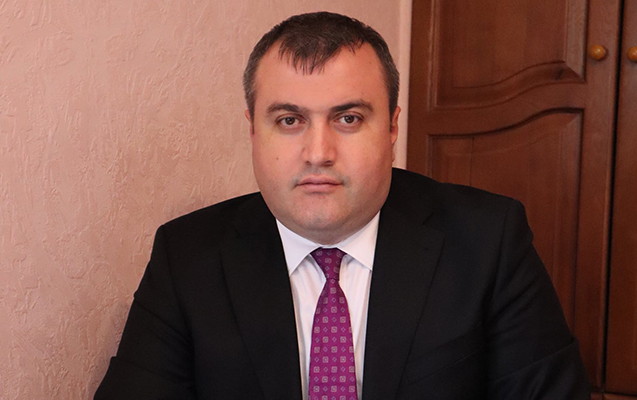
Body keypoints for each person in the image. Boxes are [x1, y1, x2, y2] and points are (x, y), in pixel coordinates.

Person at [94, 11, 590, 400]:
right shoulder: (187, 257)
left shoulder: (488, 241)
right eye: (289, 120)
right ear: (252, 131)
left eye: (348, 118)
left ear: (392, 127)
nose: (318, 153)